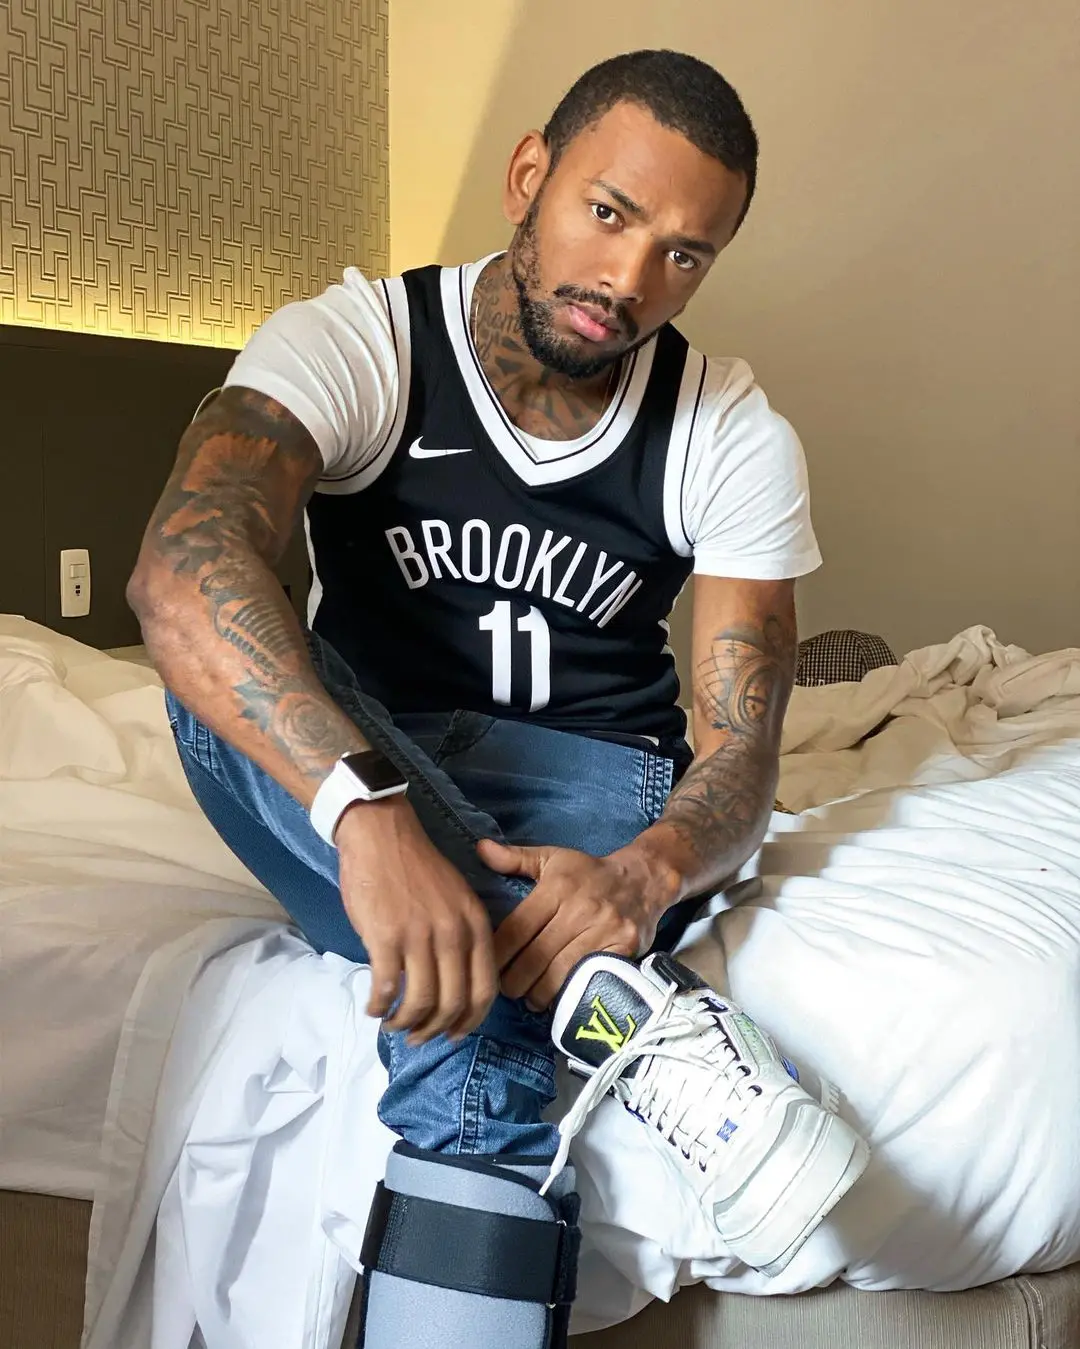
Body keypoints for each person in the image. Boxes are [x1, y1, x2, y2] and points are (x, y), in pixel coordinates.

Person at [128, 49, 867, 1348]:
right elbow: (182, 575)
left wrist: (642, 878)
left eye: (684, 254)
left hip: (594, 773)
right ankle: (648, 1025)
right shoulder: (360, 341)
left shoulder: (729, 429)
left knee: (471, 1039)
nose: (629, 280)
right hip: (372, 756)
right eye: (608, 212)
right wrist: (369, 818)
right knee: (218, 673)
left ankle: (587, 992)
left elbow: (743, 754)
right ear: (530, 175)